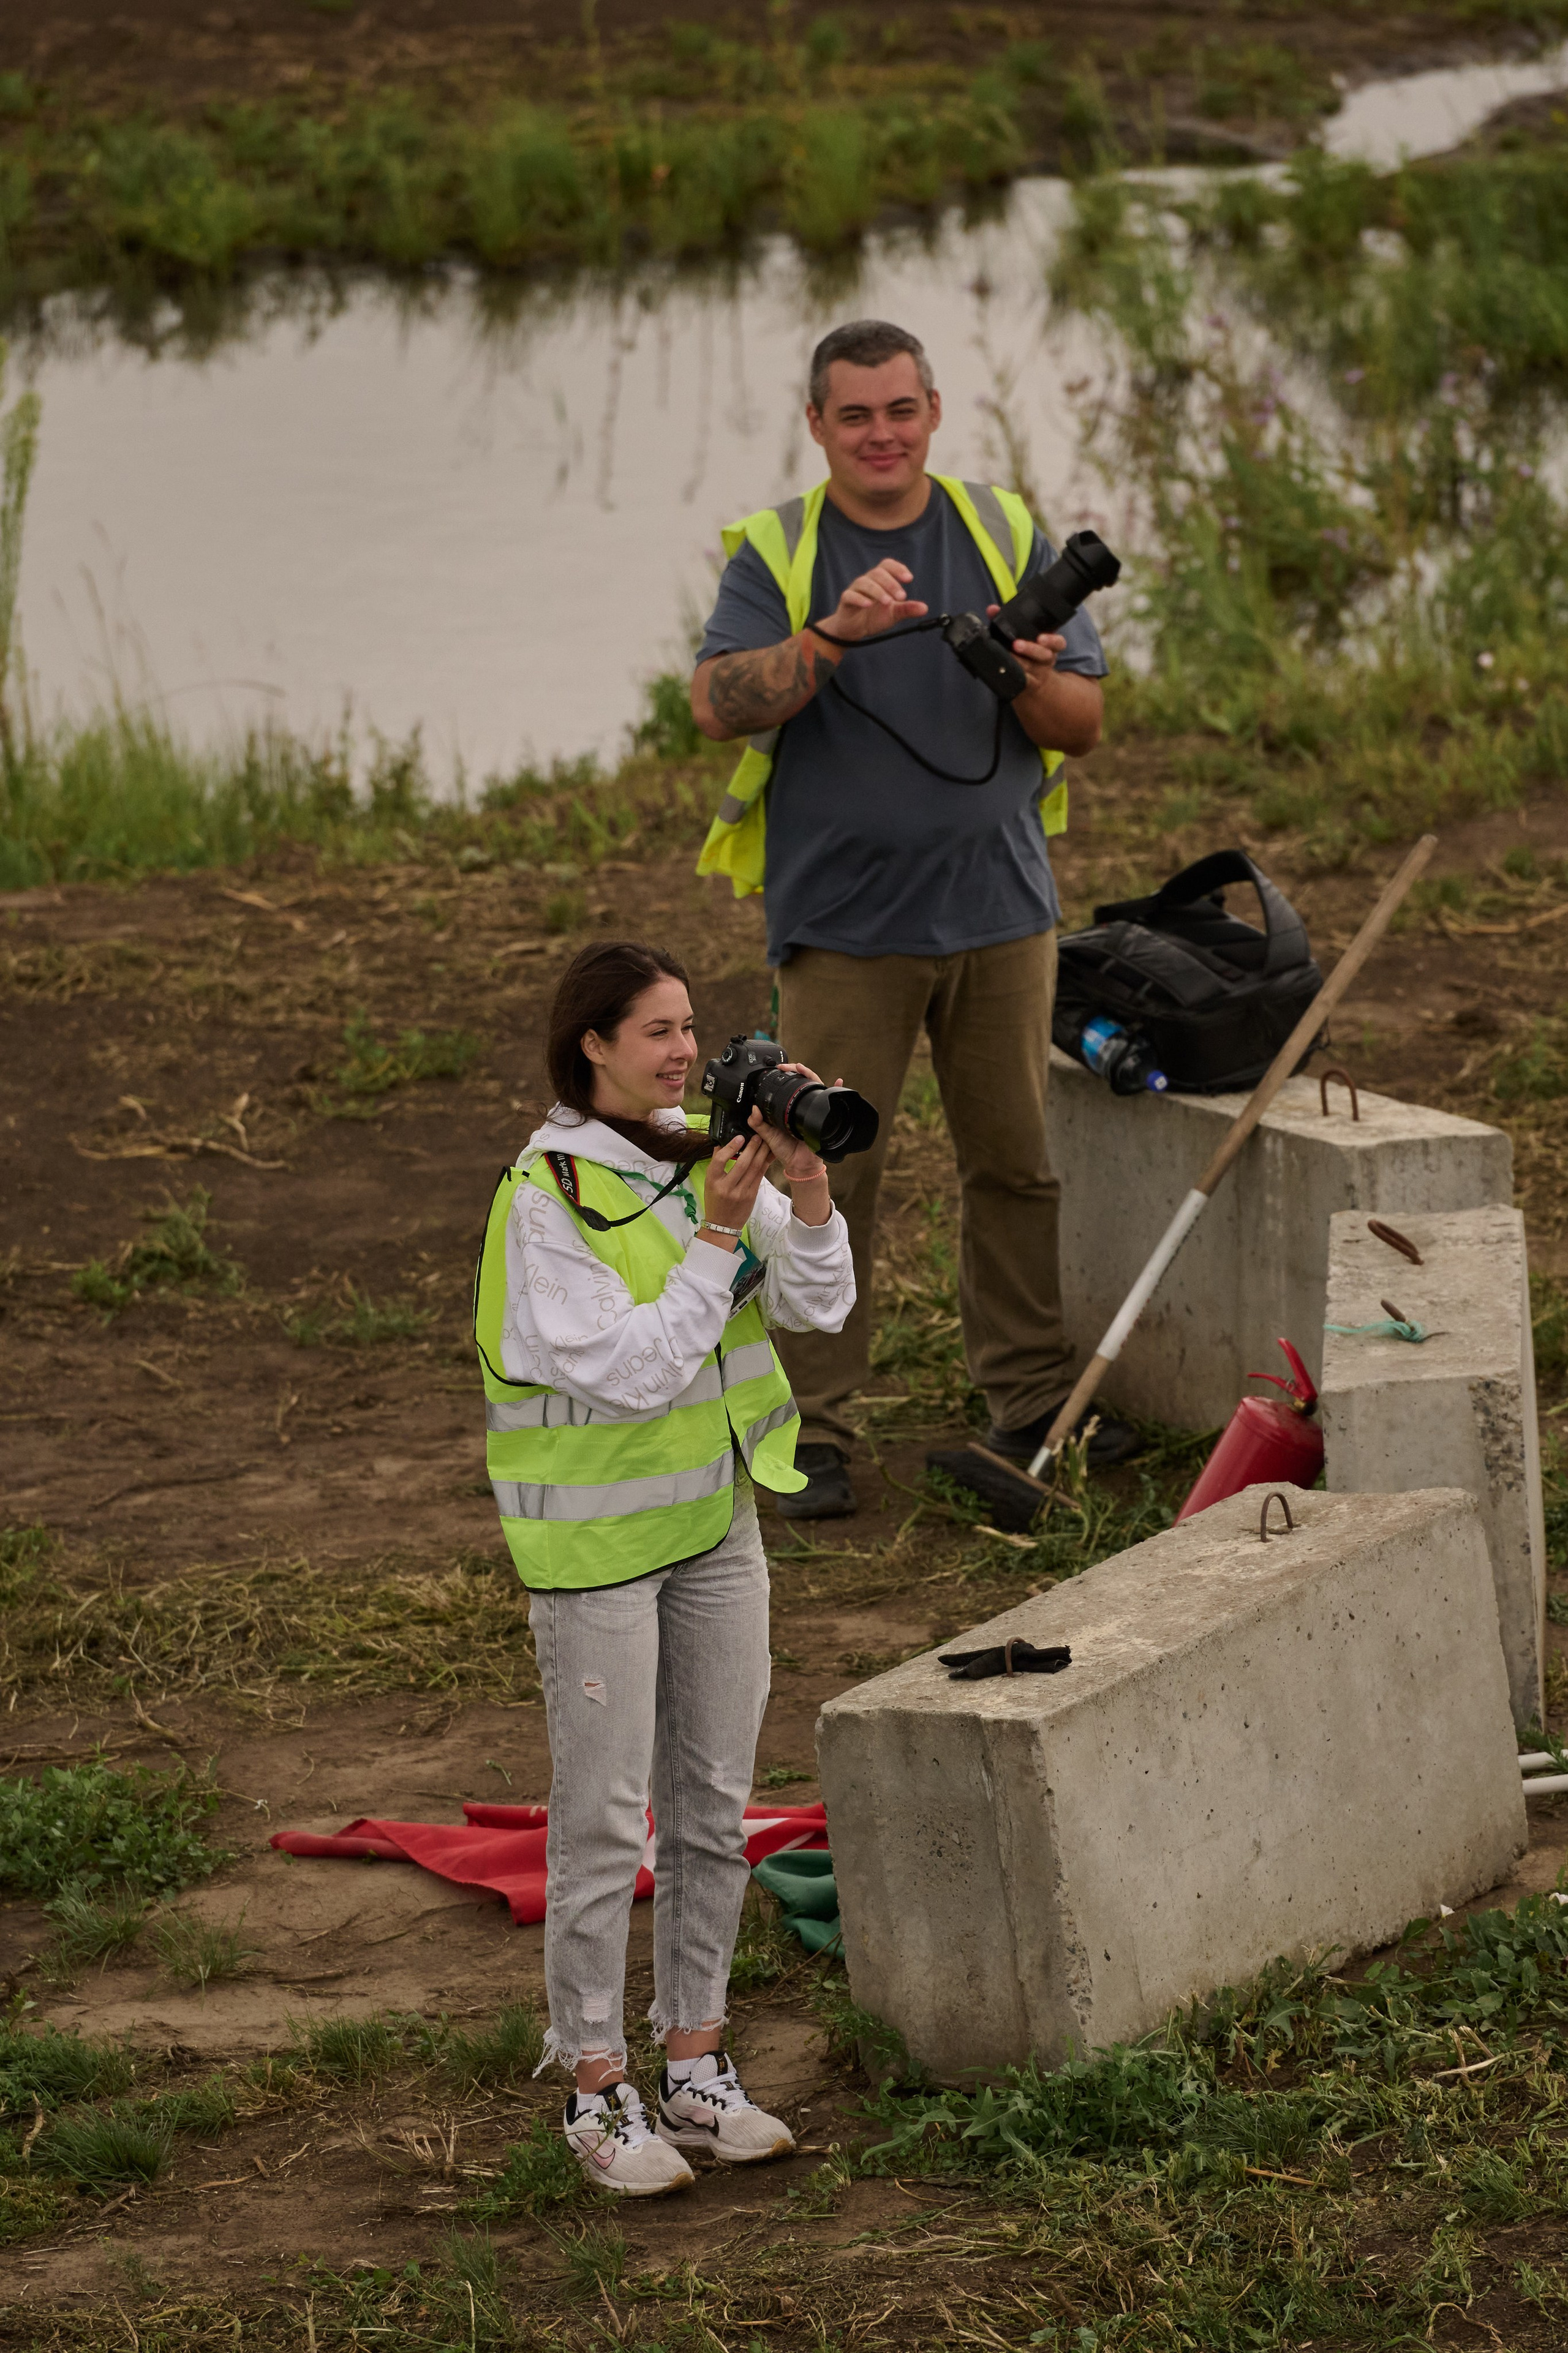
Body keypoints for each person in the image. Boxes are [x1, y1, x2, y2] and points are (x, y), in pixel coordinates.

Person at [689, 315, 1137, 1521]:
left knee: (1016, 1169)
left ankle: (1032, 1398)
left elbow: (1079, 725)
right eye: (854, 415)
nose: (879, 433)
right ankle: (810, 1428)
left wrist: (1024, 668)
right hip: (841, 928)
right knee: (826, 1176)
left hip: (1001, 917)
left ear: (931, 412)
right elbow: (717, 703)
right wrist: (833, 635)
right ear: (817, 425)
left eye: (899, 410)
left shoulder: (997, 531)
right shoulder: (781, 550)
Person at [473, 939, 853, 2196]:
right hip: (593, 1557)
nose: (684, 1051)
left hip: (711, 1528)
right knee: (597, 1828)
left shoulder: (700, 1159)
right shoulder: (550, 1195)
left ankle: (695, 2062)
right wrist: (720, 1236)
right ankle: (593, 2085)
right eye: (655, 1031)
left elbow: (816, 1310)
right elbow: (632, 1366)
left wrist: (799, 1190)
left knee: (711, 1807)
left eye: (691, 1026)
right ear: (591, 1044)